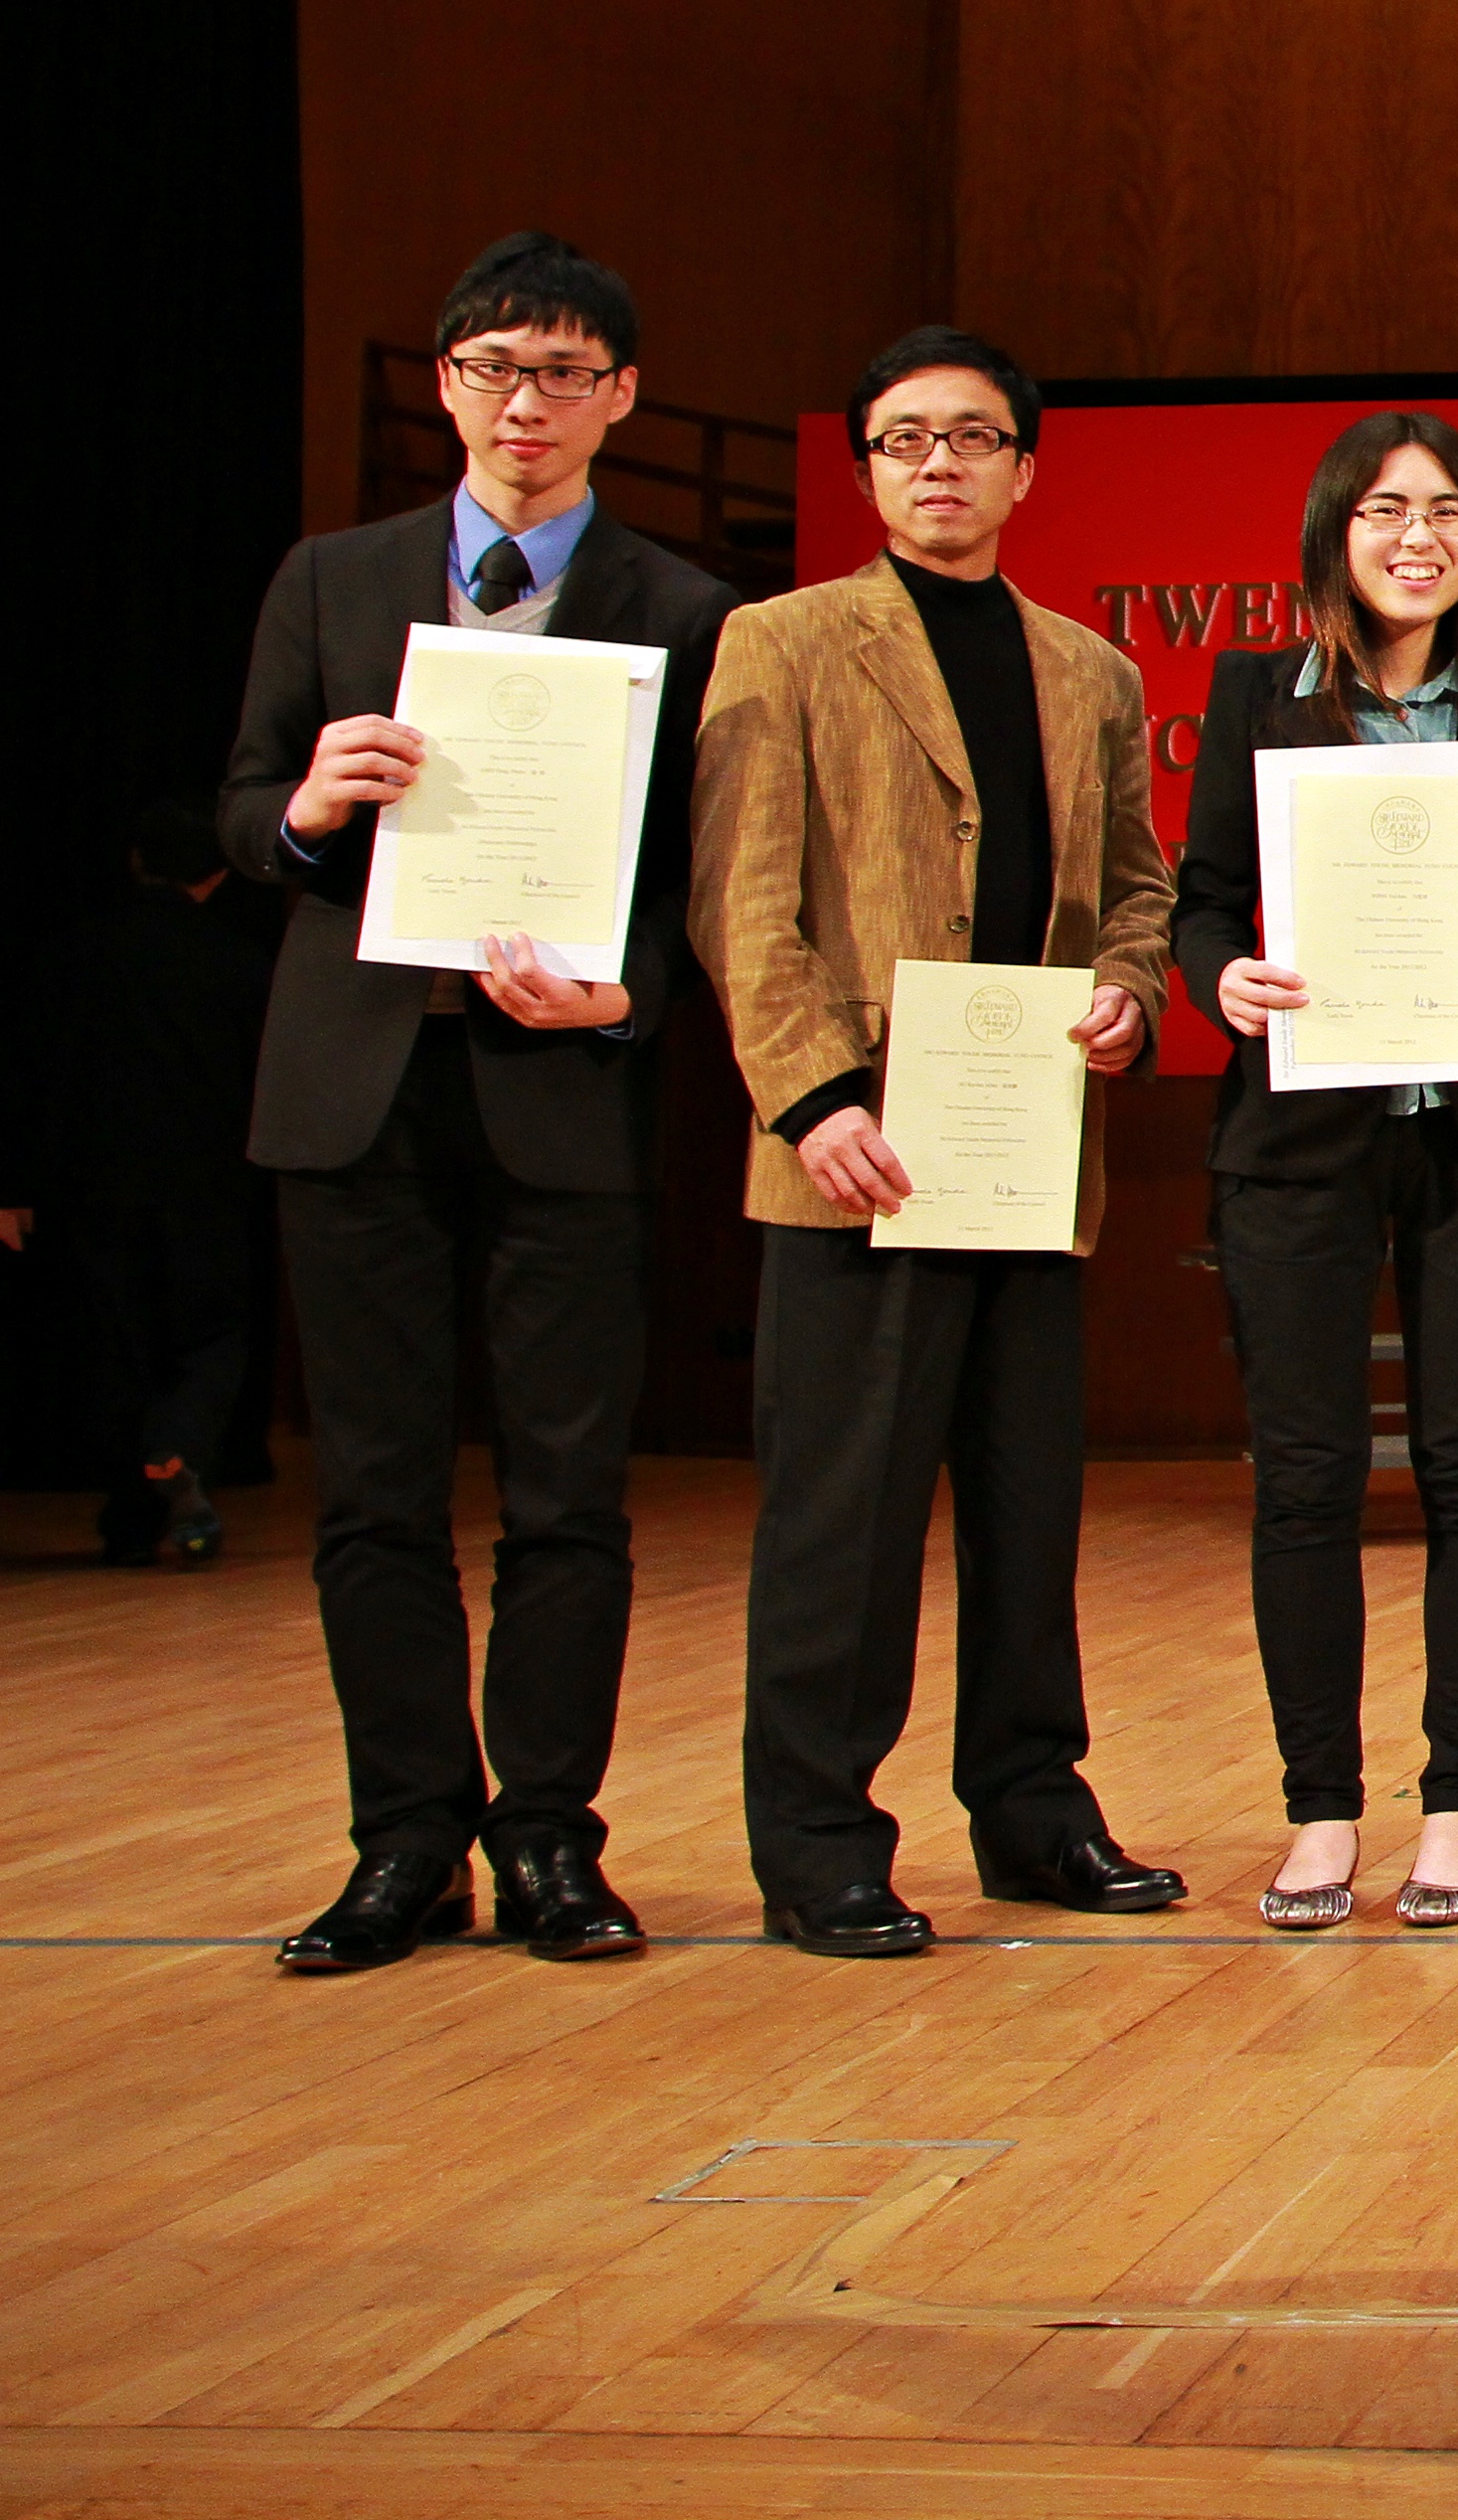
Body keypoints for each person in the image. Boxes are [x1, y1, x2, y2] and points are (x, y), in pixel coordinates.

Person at [216, 234, 737, 1973]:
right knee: (371, 1489)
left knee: (568, 1495)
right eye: (499, 368)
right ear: (447, 382)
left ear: (622, 399)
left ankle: (550, 1841)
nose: (532, 405)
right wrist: (307, 806)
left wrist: (630, 991)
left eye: (569, 374)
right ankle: (402, 1843)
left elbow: (697, 879)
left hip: (560, 1096)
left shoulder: (681, 610)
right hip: (354, 1091)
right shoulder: (333, 577)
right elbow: (241, 817)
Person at [689, 327, 1183, 1955]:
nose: (940, 465)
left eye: (972, 438)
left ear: (1026, 466)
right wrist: (814, 1096)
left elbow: (1134, 887)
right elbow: (743, 898)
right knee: (843, 1521)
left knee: (1029, 1509)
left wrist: (1126, 993)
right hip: (859, 1156)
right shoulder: (783, 641)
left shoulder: (1088, 668)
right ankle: (821, 1841)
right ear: (867, 471)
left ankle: (1035, 1813)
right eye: (904, 442)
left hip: (1025, 1149)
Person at [1173, 414, 1458, 1927]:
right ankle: (1320, 1809)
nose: (1418, 537)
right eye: (1385, 511)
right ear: (1332, 533)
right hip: (1297, 1142)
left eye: (1449, 514)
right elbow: (1206, 899)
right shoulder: (1254, 698)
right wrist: (1220, 976)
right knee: (1306, 1478)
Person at [8, 796, 281, 1567]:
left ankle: (129, 1520)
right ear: (223, 871)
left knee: (114, 1341)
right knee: (212, 1330)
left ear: (136, 861)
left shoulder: (72, 955)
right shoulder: (240, 963)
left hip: (94, 1181)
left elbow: (30, 1075)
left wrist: (15, 1184)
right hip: (211, 1180)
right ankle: (179, 1445)